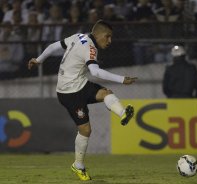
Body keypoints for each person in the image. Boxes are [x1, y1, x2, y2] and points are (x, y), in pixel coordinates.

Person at [27, 20, 137, 181]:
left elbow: (53, 46)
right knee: (86, 130)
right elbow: (96, 72)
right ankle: (78, 165)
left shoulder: (78, 36)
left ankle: (123, 114)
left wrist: (39, 59)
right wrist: (122, 79)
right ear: (98, 34)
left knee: (106, 93)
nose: (109, 41)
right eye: (108, 37)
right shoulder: (90, 48)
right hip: (69, 93)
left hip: (80, 84)